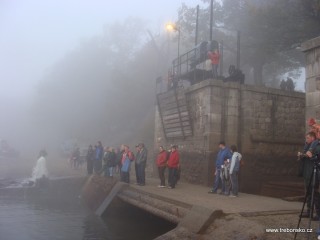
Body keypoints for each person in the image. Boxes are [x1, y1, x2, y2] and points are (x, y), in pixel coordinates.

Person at [298, 132, 320, 219]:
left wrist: (310, 156)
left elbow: (316, 158)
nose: (306, 139)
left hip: (314, 172)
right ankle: (309, 212)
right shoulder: (307, 146)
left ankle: (318, 213)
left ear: (312, 138)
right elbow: (306, 155)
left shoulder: (315, 146)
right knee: (308, 193)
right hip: (307, 173)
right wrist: (302, 155)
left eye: (308, 138)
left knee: (315, 193)